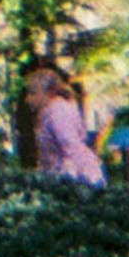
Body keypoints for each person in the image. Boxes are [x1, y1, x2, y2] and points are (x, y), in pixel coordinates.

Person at [23, 55, 105, 185]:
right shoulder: (48, 113)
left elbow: (71, 147)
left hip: (77, 179)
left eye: (33, 93)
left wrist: (79, 182)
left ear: (49, 92)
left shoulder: (58, 113)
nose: (28, 99)